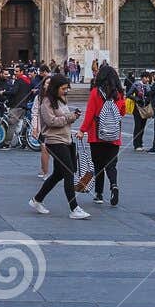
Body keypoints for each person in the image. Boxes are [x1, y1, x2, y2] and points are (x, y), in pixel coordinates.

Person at [28, 75, 87, 218]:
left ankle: (37, 200)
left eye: (67, 88)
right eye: (63, 88)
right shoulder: (46, 102)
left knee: (58, 174)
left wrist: (73, 116)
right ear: (55, 88)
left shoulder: (61, 101)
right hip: (54, 141)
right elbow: (51, 122)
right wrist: (69, 117)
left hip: (66, 139)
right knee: (68, 172)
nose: (65, 91)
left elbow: (64, 119)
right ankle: (74, 208)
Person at [79, 63, 125, 206]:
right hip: (114, 134)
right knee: (111, 165)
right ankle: (114, 185)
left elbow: (90, 114)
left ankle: (99, 194)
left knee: (98, 164)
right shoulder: (119, 94)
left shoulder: (95, 93)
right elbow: (122, 112)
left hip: (97, 135)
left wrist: (82, 130)